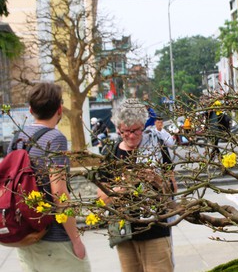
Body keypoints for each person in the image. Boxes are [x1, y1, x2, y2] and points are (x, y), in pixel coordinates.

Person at [8, 82, 90, 272]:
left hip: (26, 235)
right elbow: (59, 193)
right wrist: (76, 240)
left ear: (30, 109)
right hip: (54, 238)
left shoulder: (17, 137)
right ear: (60, 109)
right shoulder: (55, 138)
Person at [97, 98, 176, 272]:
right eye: (126, 131)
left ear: (143, 126)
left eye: (136, 131)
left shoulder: (157, 146)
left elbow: (172, 189)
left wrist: (156, 179)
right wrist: (122, 187)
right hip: (124, 232)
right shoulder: (110, 153)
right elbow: (101, 197)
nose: (131, 136)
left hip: (156, 228)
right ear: (118, 129)